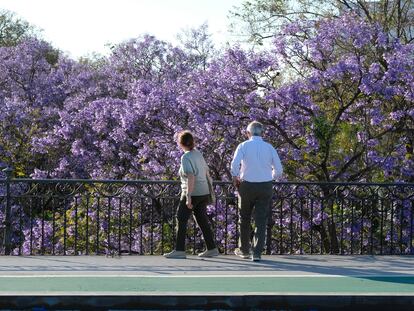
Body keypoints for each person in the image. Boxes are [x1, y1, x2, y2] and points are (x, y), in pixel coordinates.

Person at [231, 121, 283, 262]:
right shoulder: (269, 147)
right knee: (261, 220)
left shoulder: (243, 146)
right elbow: (279, 170)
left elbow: (235, 164)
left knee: (244, 218)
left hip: (246, 185)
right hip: (265, 186)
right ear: (262, 133)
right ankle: (257, 253)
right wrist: (269, 177)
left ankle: (244, 250)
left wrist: (236, 176)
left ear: (248, 133)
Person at [164, 130, 219, 259]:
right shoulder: (198, 154)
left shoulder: (186, 157)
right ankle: (212, 248)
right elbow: (206, 172)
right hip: (204, 191)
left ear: (180, 143)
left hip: (193, 192)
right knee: (201, 219)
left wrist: (188, 196)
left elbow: (190, 176)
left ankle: (179, 250)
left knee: (181, 219)